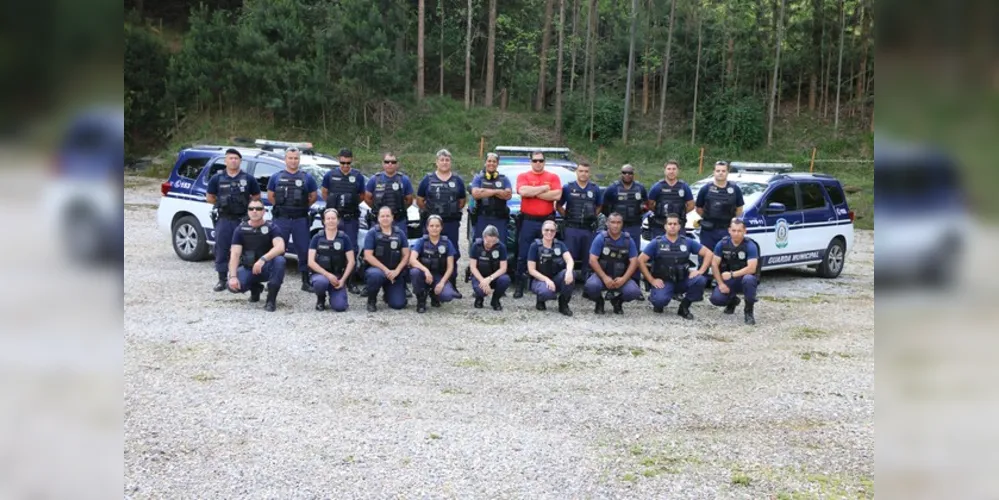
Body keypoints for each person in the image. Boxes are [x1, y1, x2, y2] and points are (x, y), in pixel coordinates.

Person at [637, 214, 713, 318]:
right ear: (665, 226)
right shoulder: (657, 242)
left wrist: (700, 271)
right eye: (670, 224)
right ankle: (657, 298)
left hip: (682, 280)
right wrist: (651, 280)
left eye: (675, 224)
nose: (672, 226)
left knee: (700, 280)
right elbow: (640, 260)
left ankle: (684, 307)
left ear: (679, 227)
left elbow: (708, 254)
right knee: (660, 301)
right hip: (664, 281)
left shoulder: (687, 242)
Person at [206, 148, 260, 291]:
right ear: (226, 161)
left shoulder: (248, 179)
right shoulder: (217, 178)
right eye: (231, 158)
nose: (233, 160)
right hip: (225, 219)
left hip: (243, 219)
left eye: (236, 158)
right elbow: (209, 197)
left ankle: (244, 278)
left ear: (240, 161)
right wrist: (222, 203)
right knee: (221, 248)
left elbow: (256, 197)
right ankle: (222, 279)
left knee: (247, 248)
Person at [267, 146, 319, 292]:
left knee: (303, 250)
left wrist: (301, 207)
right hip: (281, 219)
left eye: (296, 158)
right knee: (277, 250)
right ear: (285, 159)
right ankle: (274, 279)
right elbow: (271, 196)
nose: (293, 161)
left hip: (300, 219)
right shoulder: (276, 177)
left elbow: (313, 196)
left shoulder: (307, 177)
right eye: (290, 158)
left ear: (299, 159)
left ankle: (305, 281)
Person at [416, 149, 467, 294]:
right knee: (427, 252)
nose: (444, 163)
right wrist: (431, 214)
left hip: (451, 223)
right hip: (432, 223)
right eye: (442, 160)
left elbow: (462, 201)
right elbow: (419, 199)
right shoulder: (427, 179)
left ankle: (452, 283)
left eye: (447, 160)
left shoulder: (457, 180)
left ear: (450, 162)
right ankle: (427, 282)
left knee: (453, 252)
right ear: (436, 162)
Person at [513, 151, 562, 298]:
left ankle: (549, 284)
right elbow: (522, 191)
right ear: (531, 162)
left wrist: (533, 193)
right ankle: (519, 286)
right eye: (535, 161)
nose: (538, 163)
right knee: (523, 254)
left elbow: (557, 195)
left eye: (541, 161)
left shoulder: (553, 177)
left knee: (548, 254)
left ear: (544, 162)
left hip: (546, 221)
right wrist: (544, 189)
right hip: (528, 221)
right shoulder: (523, 176)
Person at [226, 200, 287, 312]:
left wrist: (262, 260)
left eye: (258, 209)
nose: (254, 211)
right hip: (249, 267)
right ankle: (255, 288)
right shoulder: (240, 230)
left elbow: (280, 247)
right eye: (251, 209)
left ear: (263, 211)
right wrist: (233, 277)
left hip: (267, 268)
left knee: (280, 260)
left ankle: (271, 300)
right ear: (248, 212)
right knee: (231, 286)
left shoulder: (272, 227)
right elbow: (234, 254)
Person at [320, 148, 365, 294]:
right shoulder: (330, 175)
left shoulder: (357, 176)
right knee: (332, 247)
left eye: (348, 162)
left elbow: (362, 195)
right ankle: (332, 278)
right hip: (335, 219)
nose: (345, 165)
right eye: (342, 162)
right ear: (338, 159)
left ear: (352, 160)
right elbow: (325, 193)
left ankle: (350, 281)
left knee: (351, 249)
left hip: (351, 218)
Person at [585, 213, 642, 314]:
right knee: (591, 286)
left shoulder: (628, 240)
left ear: (622, 224)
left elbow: (634, 262)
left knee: (634, 292)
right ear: (607, 223)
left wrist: (624, 279)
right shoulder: (600, 238)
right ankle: (599, 302)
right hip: (601, 276)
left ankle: (617, 302)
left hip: (620, 277)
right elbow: (592, 260)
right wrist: (604, 277)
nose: (615, 225)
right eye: (612, 222)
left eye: (618, 222)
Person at [556, 161, 602, 282]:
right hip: (571, 228)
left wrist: (592, 216)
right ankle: (567, 282)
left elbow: (599, 206)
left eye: (586, 171)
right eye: (581, 171)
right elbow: (559, 205)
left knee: (588, 257)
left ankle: (587, 285)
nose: (583, 174)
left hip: (588, 229)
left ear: (589, 173)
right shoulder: (568, 187)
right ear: (576, 172)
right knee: (569, 256)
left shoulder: (595, 189)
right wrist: (567, 216)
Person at [709, 219, 759, 325]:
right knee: (716, 299)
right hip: (728, 280)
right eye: (734, 230)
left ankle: (748, 312)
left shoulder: (750, 245)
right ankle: (733, 301)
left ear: (745, 231)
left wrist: (732, 274)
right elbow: (714, 264)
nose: (736, 233)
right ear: (729, 230)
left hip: (743, 279)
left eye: (739, 231)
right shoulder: (722, 244)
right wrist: (721, 284)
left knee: (749, 279)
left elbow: (752, 268)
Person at [695, 160, 745, 265]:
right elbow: (698, 208)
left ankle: (723, 280)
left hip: (726, 230)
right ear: (714, 172)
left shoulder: (735, 189)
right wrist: (708, 217)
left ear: (727, 172)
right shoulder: (706, 189)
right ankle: (703, 280)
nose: (720, 173)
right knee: (705, 258)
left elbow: (739, 209)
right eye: (718, 170)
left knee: (725, 259)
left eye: (723, 171)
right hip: (708, 231)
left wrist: (730, 221)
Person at [362, 206, 410, 311]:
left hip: (395, 273)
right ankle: (372, 299)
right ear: (378, 218)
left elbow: (406, 255)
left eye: (388, 216)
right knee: (375, 275)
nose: (385, 218)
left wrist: (397, 271)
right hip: (377, 270)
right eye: (382, 216)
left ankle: (388, 295)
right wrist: (386, 270)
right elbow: (368, 255)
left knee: (398, 304)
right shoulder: (372, 233)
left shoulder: (400, 233)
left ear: (392, 217)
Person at [307, 208, 355, 312]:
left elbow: (351, 261)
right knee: (320, 282)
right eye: (328, 218)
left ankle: (335, 295)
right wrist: (327, 275)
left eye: (333, 218)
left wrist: (343, 280)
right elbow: (310, 261)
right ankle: (321, 299)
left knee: (340, 307)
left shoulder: (344, 238)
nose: (331, 221)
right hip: (320, 275)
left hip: (338, 277)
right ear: (324, 221)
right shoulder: (317, 237)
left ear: (338, 220)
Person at [408, 215, 459, 313]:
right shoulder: (421, 241)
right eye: (431, 226)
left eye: (437, 226)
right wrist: (426, 270)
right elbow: (412, 259)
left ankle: (434, 295)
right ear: (427, 227)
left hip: (439, 275)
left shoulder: (447, 243)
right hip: (423, 274)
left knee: (447, 296)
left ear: (441, 227)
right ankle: (421, 300)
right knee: (414, 272)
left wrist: (442, 283)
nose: (434, 228)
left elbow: (450, 267)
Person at [526, 220, 575, 316]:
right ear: (542, 231)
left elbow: (570, 260)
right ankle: (541, 300)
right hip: (539, 280)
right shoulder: (535, 246)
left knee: (571, 274)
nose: (549, 232)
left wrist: (569, 272)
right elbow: (531, 269)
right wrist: (547, 280)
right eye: (546, 230)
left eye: (552, 230)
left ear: (555, 232)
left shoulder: (560, 245)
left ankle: (563, 304)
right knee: (547, 293)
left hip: (556, 277)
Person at [365, 152, 414, 237]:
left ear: (397, 164)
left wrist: (399, 210)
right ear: (383, 163)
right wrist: (380, 211)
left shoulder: (404, 180)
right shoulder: (374, 179)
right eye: (387, 162)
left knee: (400, 246)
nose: (390, 164)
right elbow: (367, 198)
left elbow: (409, 200)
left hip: (398, 220)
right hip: (378, 221)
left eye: (393, 162)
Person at [469, 152, 512, 246]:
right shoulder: (478, 178)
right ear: (485, 162)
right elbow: (475, 194)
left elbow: (507, 195)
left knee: (500, 246)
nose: (491, 163)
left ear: (497, 163)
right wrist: (497, 191)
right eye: (489, 161)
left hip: (499, 219)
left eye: (494, 161)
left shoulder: (504, 179)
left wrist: (484, 191)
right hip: (482, 218)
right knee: (479, 246)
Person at [647, 160, 695, 240]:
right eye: (669, 169)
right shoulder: (657, 187)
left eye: (674, 169)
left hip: (678, 226)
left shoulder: (684, 187)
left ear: (678, 171)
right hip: (660, 226)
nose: (671, 171)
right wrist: (659, 211)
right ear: (665, 171)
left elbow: (691, 205)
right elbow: (649, 204)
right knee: (658, 250)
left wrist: (680, 212)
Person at [468, 225, 511, 310]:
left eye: (493, 242)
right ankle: (479, 298)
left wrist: (489, 279)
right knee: (481, 291)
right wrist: (483, 281)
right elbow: (473, 267)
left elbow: (503, 268)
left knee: (505, 280)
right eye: (488, 242)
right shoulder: (476, 246)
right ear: (483, 237)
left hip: (494, 276)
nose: (490, 245)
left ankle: (495, 300)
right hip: (479, 276)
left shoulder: (501, 247)